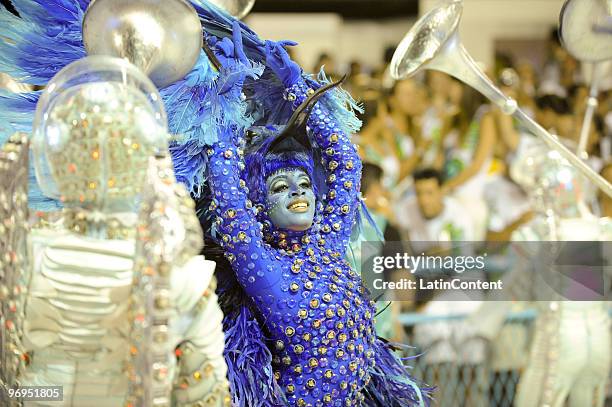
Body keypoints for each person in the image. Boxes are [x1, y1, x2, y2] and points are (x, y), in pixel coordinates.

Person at [202, 30, 430, 406]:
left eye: (305, 183)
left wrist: (297, 91)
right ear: (258, 207)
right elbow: (231, 207)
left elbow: (345, 163)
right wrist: (226, 102)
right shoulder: (266, 268)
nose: (298, 192)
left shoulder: (328, 241)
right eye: (279, 187)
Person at [1, 57, 229, 406]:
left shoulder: (174, 265)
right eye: (86, 144)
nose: (99, 157)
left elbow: (205, 386)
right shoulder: (27, 250)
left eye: (113, 145)